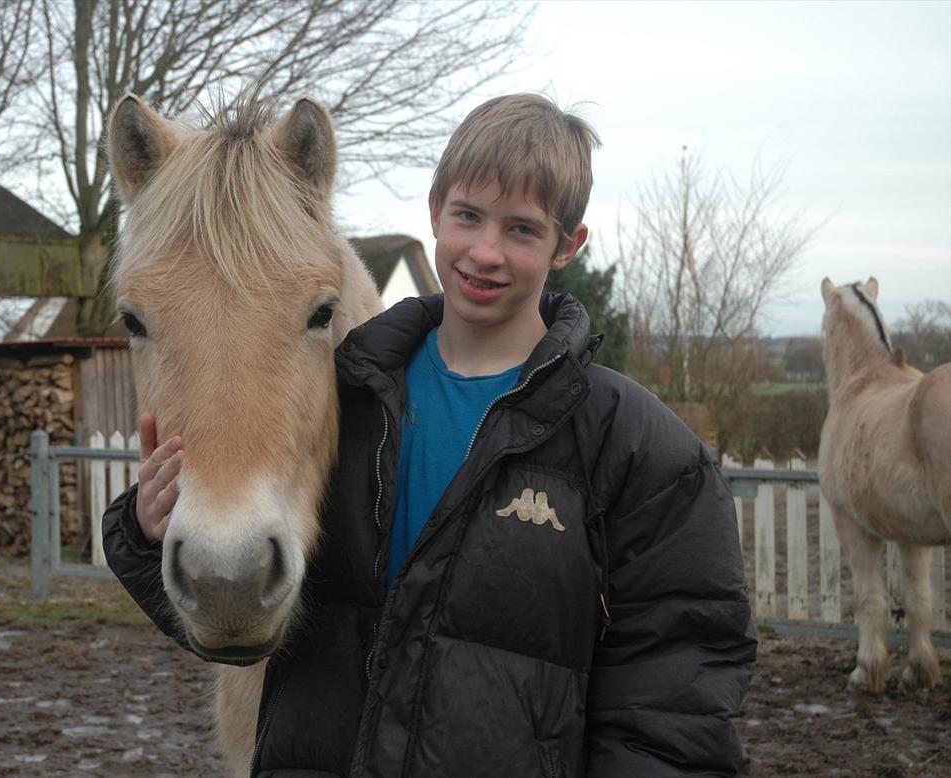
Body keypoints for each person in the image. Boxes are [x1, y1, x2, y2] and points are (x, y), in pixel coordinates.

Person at [103, 93, 756, 777]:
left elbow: (677, 682)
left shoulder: (636, 447)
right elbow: (239, 605)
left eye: (523, 230)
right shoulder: (348, 406)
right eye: (468, 216)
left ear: (569, 245)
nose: (485, 251)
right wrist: (150, 541)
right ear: (435, 211)